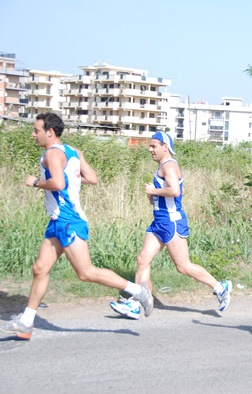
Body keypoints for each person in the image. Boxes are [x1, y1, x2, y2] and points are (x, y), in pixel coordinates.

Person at [0, 113, 152, 340]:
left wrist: (35, 183)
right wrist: (73, 173)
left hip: (68, 221)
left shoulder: (51, 153)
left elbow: (58, 183)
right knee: (40, 269)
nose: (33, 135)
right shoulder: (72, 151)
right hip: (58, 220)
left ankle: (138, 291)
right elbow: (92, 178)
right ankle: (26, 322)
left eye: (36, 130)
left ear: (49, 132)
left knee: (86, 272)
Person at [110, 131, 231, 319]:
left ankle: (219, 287)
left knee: (183, 266)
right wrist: (153, 196)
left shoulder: (170, 166)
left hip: (171, 222)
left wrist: (154, 190)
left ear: (165, 147)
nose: (150, 149)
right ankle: (136, 303)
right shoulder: (162, 166)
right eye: (149, 146)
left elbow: (175, 191)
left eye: (153, 146)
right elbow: (165, 194)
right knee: (143, 259)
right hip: (159, 221)